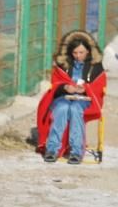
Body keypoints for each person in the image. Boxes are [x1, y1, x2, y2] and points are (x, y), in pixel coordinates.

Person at [37, 30, 107, 164]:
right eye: (75, 53)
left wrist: (85, 89)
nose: (78, 56)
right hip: (63, 97)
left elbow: (99, 86)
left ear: (88, 51)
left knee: (75, 109)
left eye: (81, 52)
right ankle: (52, 149)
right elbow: (55, 83)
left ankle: (76, 151)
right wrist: (65, 87)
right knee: (62, 108)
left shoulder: (96, 67)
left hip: (85, 100)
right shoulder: (63, 65)